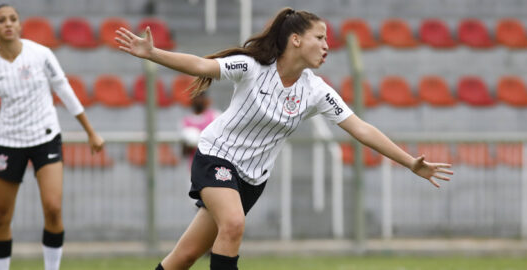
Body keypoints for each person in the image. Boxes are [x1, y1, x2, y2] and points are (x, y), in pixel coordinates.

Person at [115, 7, 453, 270]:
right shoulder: (251, 68)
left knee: (185, 257)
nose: (326, 45)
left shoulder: (316, 90)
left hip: (252, 180)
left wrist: (410, 162)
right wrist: (153, 53)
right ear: (295, 40)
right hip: (216, 157)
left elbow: (360, 128)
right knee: (233, 223)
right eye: (319, 37)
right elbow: (201, 66)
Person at [0, 4, 104, 270]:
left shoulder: (41, 54)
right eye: (2, 20)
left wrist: (91, 132)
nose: (8, 24)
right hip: (10, 143)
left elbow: (65, 90)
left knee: (53, 208)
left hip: (45, 139)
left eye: (13, 19)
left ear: (20, 25)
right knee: (0, 216)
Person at [181, 91, 220, 164]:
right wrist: (191, 143)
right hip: (195, 166)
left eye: (201, 97)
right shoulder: (186, 122)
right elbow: (184, 152)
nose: (199, 100)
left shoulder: (215, 116)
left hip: (213, 164)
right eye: (196, 97)